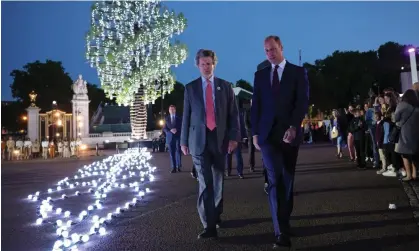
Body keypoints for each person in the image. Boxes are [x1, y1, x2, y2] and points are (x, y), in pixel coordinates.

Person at [251, 35, 309, 248]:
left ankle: (284, 220)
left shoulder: (297, 72)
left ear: (281, 48)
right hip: (267, 136)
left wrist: (294, 126)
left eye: (273, 49)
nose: (270, 53)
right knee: (275, 180)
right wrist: (255, 133)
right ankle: (280, 232)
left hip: (289, 134)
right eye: (266, 50)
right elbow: (256, 104)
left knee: (287, 180)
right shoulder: (260, 75)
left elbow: (302, 102)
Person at [180, 49, 240, 239]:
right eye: (203, 64)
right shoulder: (190, 88)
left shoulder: (225, 86)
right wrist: (183, 141)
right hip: (198, 141)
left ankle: (216, 213)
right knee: (205, 183)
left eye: (209, 63)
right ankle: (209, 225)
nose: (206, 67)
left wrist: (234, 138)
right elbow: (186, 116)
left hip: (220, 139)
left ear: (214, 64)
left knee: (218, 180)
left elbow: (233, 114)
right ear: (197, 65)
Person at [394, 89, 419, 181]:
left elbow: (395, 118)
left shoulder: (402, 105)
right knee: (414, 154)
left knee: (405, 154)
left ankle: (408, 175)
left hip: (405, 132)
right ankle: (414, 173)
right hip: (416, 132)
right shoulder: (417, 106)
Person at [225, 104, 247, 178]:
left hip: (236, 138)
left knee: (236, 155)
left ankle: (237, 172)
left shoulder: (238, 114)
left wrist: (244, 136)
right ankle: (232, 171)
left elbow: (242, 126)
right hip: (232, 138)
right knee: (231, 155)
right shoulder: (234, 113)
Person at [163, 105, 182, 173]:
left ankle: (178, 166)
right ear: (169, 110)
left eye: (173, 109)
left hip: (178, 137)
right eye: (170, 109)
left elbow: (182, 126)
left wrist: (176, 129)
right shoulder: (166, 118)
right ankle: (173, 167)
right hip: (170, 137)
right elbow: (164, 128)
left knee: (178, 152)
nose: (172, 110)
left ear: (175, 110)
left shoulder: (179, 117)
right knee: (172, 153)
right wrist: (170, 131)